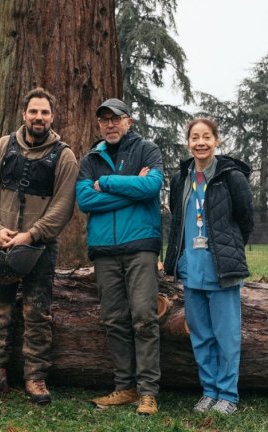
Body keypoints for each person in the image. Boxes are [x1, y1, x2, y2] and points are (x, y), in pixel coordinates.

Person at [0, 87, 78, 405]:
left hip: (39, 249)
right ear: (24, 114)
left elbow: (63, 204)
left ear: (52, 116)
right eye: (33, 111)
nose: (38, 117)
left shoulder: (64, 155)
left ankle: (35, 378)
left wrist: (32, 234)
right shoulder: (4, 146)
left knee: (37, 314)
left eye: (44, 112)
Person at [76, 98, 164, 415]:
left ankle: (148, 392)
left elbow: (152, 187)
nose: (110, 124)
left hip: (140, 246)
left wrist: (108, 183)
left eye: (116, 118)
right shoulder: (90, 158)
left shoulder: (147, 150)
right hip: (104, 252)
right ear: (99, 124)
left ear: (129, 121)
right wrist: (132, 188)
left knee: (143, 318)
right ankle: (124, 388)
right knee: (114, 321)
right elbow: (85, 199)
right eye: (104, 120)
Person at [163, 118, 254, 415]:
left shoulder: (231, 176)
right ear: (187, 141)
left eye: (206, 137)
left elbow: (245, 219)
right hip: (192, 269)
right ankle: (209, 391)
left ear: (216, 140)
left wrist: (229, 248)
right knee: (200, 335)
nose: (200, 142)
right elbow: (177, 219)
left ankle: (228, 395)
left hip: (222, 270)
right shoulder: (180, 179)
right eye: (194, 137)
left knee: (226, 336)